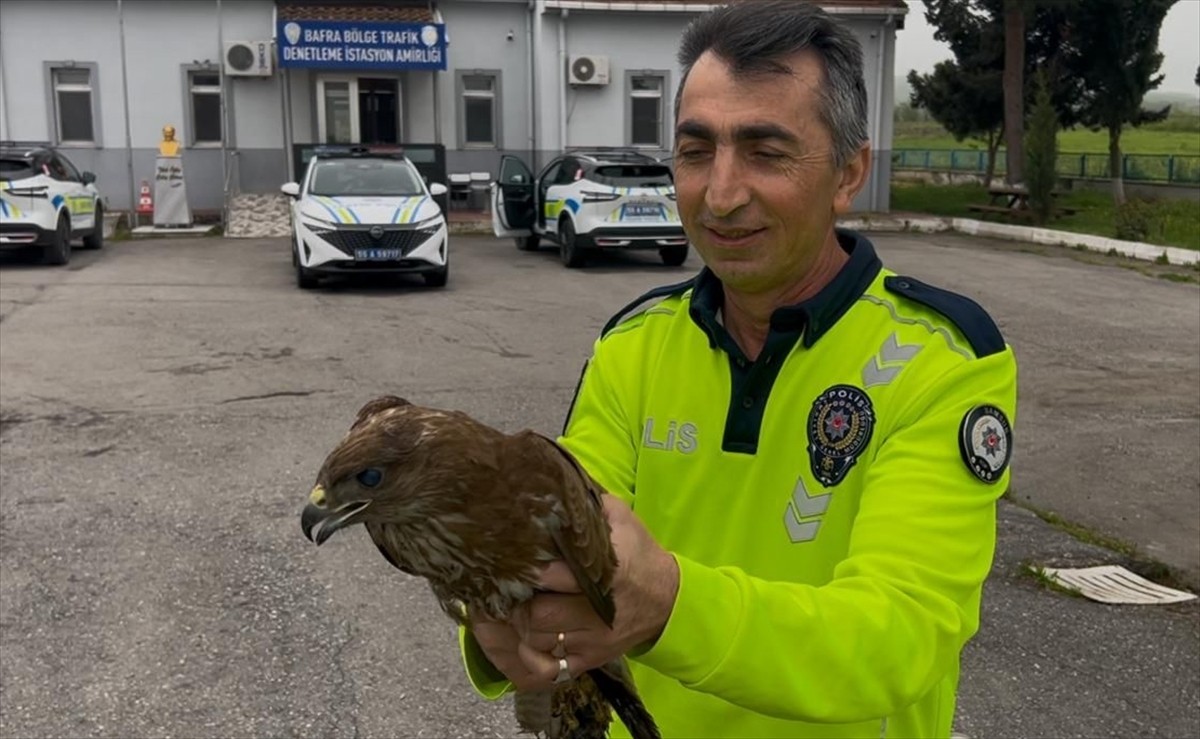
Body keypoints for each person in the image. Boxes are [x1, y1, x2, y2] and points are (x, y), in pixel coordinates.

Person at [459, 2, 1019, 737]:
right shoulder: (634, 344)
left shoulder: (939, 360)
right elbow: (558, 532)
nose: (720, 194)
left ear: (849, 172)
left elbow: (896, 638)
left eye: (766, 151)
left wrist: (670, 604)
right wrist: (503, 618)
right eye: (696, 151)